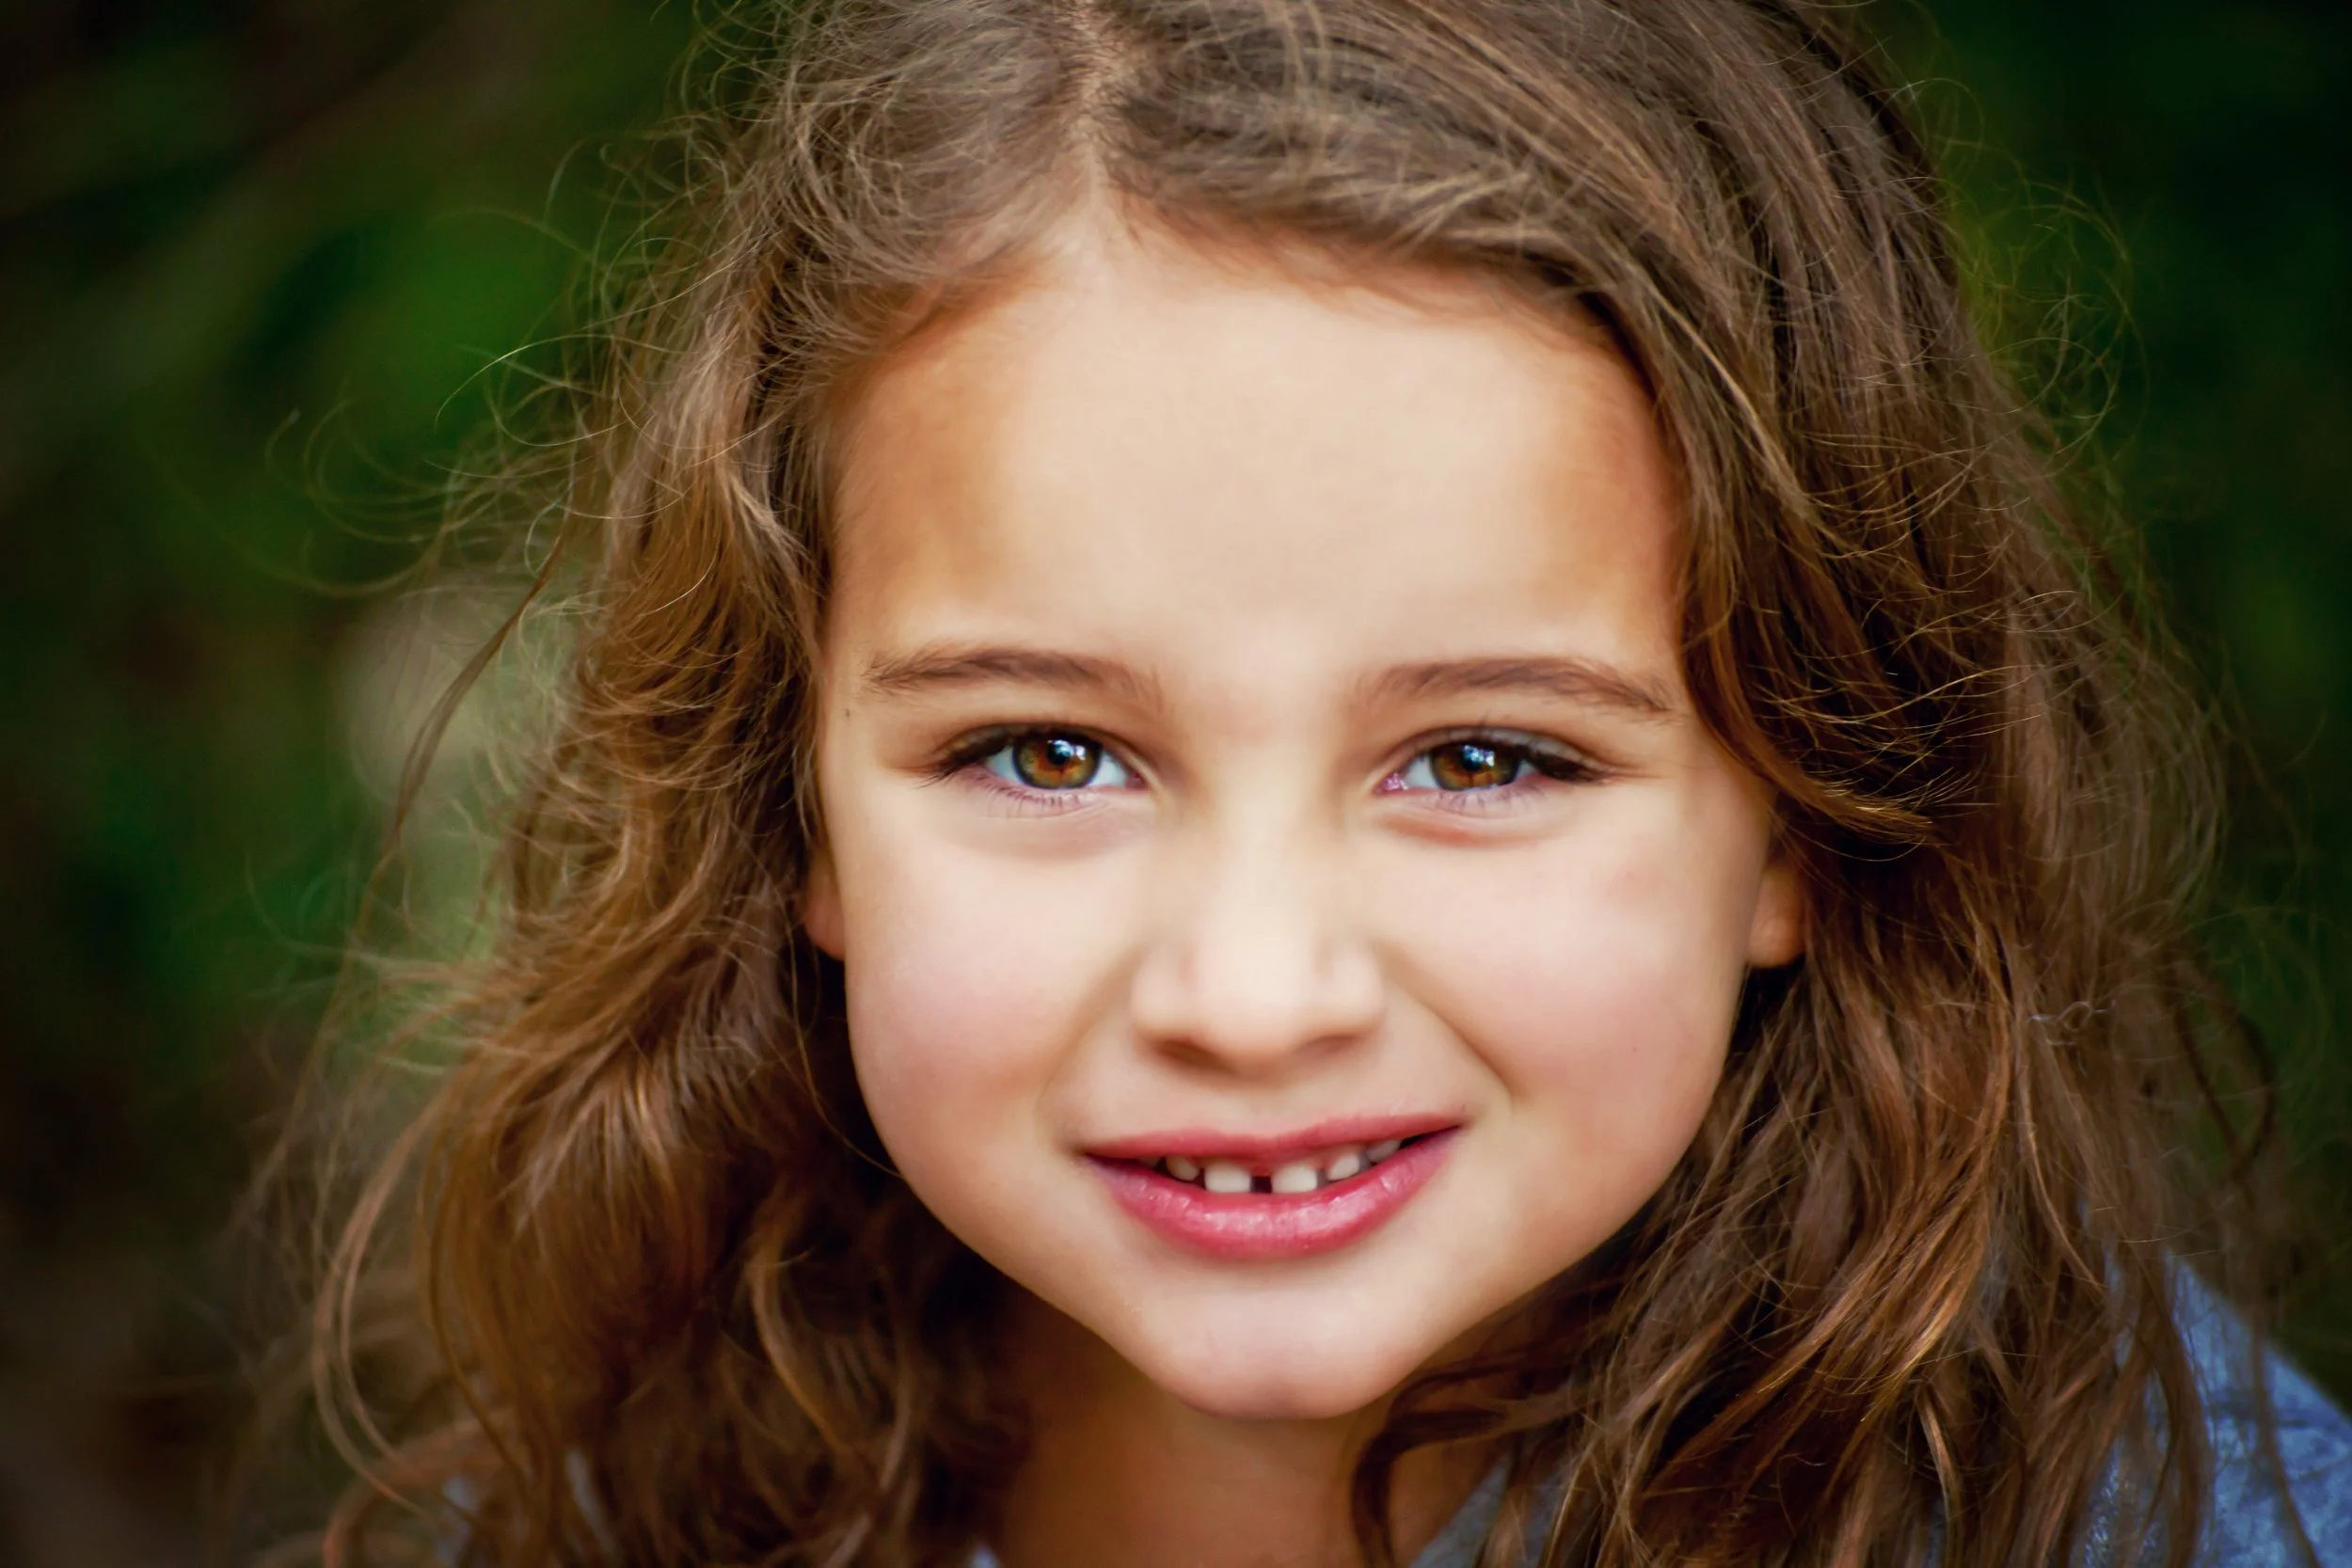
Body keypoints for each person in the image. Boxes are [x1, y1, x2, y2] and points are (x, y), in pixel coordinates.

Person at [286, 1, 2352, 1563]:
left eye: (1481, 754)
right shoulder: (631, 1505)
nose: (1254, 992)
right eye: (1045, 750)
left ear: (1804, 803)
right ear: (793, 799)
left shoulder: (2158, 1513)